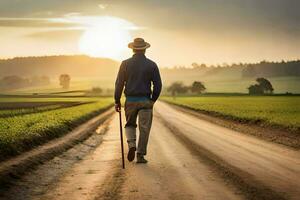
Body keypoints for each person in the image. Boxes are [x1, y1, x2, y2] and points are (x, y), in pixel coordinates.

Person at [114, 38, 162, 164]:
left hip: (130, 100)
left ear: (133, 49)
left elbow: (119, 83)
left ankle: (131, 145)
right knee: (144, 129)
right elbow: (158, 85)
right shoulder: (152, 65)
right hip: (146, 101)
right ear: (145, 49)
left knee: (130, 124)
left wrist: (117, 100)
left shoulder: (125, 64)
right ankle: (140, 155)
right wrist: (153, 100)